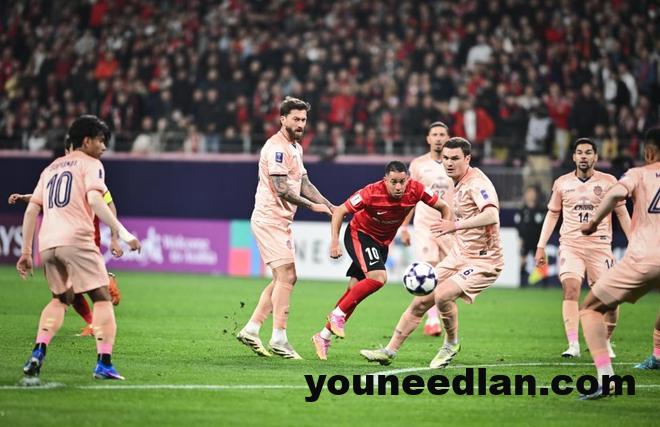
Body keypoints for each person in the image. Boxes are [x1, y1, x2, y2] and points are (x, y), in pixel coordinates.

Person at [360, 137, 503, 368]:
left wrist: (454, 226)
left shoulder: (477, 183)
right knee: (421, 300)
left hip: (483, 260)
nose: (449, 163)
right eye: (445, 158)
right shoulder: (456, 183)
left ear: (467, 158)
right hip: (459, 254)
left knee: (443, 295)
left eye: (455, 158)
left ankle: (451, 344)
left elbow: (492, 215)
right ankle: (389, 351)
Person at [17, 115, 141, 381]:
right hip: (77, 239)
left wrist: (26, 252)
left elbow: (31, 211)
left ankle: (38, 352)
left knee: (60, 300)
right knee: (102, 298)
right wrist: (123, 233)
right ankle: (104, 364)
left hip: (47, 244)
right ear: (86, 141)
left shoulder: (50, 168)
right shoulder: (91, 164)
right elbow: (96, 201)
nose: (104, 147)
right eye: (100, 140)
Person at [311, 160, 451, 360]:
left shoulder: (417, 189)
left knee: (354, 292)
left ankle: (323, 336)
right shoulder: (370, 192)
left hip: (382, 243)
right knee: (378, 278)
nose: (398, 187)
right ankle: (337, 315)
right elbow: (340, 211)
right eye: (393, 182)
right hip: (360, 235)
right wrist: (334, 241)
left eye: (402, 181)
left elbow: (444, 207)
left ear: (407, 179)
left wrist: (445, 226)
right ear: (385, 180)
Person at [236, 97, 334, 360]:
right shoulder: (276, 148)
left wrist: (330, 206)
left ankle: (252, 329)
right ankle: (279, 338)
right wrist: (312, 207)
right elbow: (280, 189)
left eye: (304, 120)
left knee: (284, 278)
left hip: (281, 221)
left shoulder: (295, 148)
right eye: (296, 119)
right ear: (282, 119)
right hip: (269, 219)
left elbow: (305, 184)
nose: (301, 124)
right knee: (287, 275)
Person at [578, 127, 660, 399]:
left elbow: (615, 195)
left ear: (649, 151)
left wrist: (593, 222)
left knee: (591, 308)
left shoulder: (638, 174)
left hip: (644, 258)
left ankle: (606, 378)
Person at [9, 149, 124, 337]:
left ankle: (103, 287)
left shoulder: (88, 171)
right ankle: (94, 320)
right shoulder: (64, 173)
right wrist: (24, 198)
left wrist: (114, 238)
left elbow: (108, 203)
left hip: (82, 235)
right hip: (62, 236)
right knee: (68, 289)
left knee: (69, 288)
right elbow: (47, 196)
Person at [535, 138, 631, 358]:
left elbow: (622, 213)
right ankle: (573, 344)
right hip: (571, 245)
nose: (584, 156)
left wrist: (634, 242)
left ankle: (605, 341)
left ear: (596, 157)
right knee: (570, 288)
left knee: (610, 298)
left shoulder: (608, 182)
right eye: (579, 152)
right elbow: (553, 215)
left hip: (600, 246)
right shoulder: (562, 183)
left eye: (588, 152)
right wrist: (541, 246)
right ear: (574, 157)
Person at [399, 122, 455, 336]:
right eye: (435, 134)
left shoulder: (455, 164)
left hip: (448, 226)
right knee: (429, 269)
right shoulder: (418, 165)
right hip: (425, 225)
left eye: (442, 134)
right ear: (428, 139)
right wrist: (404, 227)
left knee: (446, 275)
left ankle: (443, 319)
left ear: (448, 138)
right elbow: (410, 198)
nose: (439, 138)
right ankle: (432, 320)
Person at [513, 185, 547, 286]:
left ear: (536, 195)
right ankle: (522, 284)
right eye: (529, 193)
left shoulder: (541, 210)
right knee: (522, 261)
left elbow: (545, 227)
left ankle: (544, 285)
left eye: (533, 193)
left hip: (537, 241)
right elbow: (518, 227)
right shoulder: (522, 211)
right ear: (526, 195)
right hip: (525, 241)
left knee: (541, 262)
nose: (531, 195)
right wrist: (520, 239)